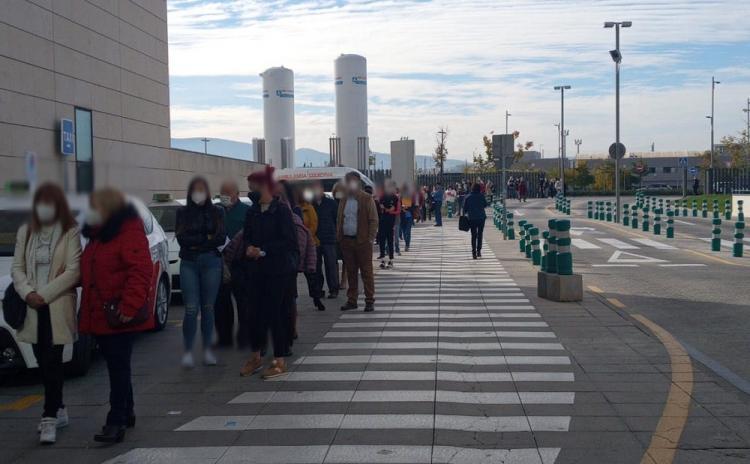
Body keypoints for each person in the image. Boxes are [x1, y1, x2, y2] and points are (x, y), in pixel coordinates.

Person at [79, 187, 153, 443]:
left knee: (118, 368)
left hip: (117, 314)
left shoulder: (127, 231)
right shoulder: (98, 234)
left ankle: (117, 419)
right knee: (117, 365)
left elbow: (141, 271)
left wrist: (128, 307)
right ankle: (127, 410)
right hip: (101, 313)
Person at [12, 183, 81, 445]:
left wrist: (45, 294)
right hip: (32, 307)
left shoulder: (69, 231)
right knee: (42, 359)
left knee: (53, 359)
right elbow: (18, 267)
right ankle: (59, 406)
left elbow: (74, 270)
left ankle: (49, 416)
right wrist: (28, 292)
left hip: (56, 305)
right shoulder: (26, 231)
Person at [239, 166, 299, 379]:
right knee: (254, 314)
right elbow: (246, 236)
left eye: (254, 186)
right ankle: (256, 356)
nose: (251, 190)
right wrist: (248, 248)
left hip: (277, 270)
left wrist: (264, 251)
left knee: (276, 314)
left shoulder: (281, 210)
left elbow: (290, 241)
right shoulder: (252, 211)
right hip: (255, 271)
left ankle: (280, 360)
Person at [176, 177, 226, 368]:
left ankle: (207, 350)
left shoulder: (217, 211)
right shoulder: (182, 212)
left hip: (211, 261)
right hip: (188, 262)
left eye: (202, 189)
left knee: (208, 307)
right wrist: (206, 237)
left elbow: (220, 237)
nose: (199, 193)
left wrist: (199, 241)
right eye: (196, 190)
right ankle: (188, 351)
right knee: (190, 308)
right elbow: (182, 239)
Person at [215, 179, 249, 348]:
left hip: (240, 263)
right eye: (223, 194)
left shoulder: (246, 212)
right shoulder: (216, 210)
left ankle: (244, 336)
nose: (225, 197)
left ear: (237, 194)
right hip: (219, 262)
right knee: (221, 302)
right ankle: (224, 337)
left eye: (228, 194)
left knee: (243, 301)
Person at [337, 171, 378, 312]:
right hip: (347, 241)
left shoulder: (366, 198)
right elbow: (340, 219)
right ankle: (352, 300)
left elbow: (373, 220)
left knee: (366, 272)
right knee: (351, 271)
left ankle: (369, 300)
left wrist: (370, 239)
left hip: (362, 241)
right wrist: (340, 237)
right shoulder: (343, 199)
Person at [298, 186, 325, 311]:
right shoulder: (291, 209)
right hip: (295, 246)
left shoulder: (309, 209)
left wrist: (305, 236)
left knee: (311, 273)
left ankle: (316, 297)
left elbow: (314, 225)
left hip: (309, 244)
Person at [312, 181, 339, 299]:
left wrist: (337, 234)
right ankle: (318, 289)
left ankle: (333, 289)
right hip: (315, 239)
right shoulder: (310, 204)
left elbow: (337, 220)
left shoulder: (331, 203)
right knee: (316, 266)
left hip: (329, 238)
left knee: (331, 265)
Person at [463, 183, 488, 259]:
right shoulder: (481, 196)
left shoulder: (468, 197)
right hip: (481, 218)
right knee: (480, 234)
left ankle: (473, 253)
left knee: (473, 235)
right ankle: (479, 251)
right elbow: (485, 205)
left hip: (472, 218)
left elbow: (465, 209)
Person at [377, 182, 399, 269]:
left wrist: (386, 209)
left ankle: (391, 260)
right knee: (382, 241)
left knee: (390, 241)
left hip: (390, 222)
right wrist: (387, 209)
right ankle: (383, 260)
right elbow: (381, 206)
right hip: (382, 222)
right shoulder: (382, 196)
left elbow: (393, 209)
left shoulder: (395, 197)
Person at [400, 184, 415, 252]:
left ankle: (407, 245)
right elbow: (398, 207)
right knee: (404, 232)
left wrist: (408, 208)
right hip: (402, 217)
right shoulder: (399, 198)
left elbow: (413, 207)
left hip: (409, 217)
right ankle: (406, 243)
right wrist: (402, 208)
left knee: (407, 232)